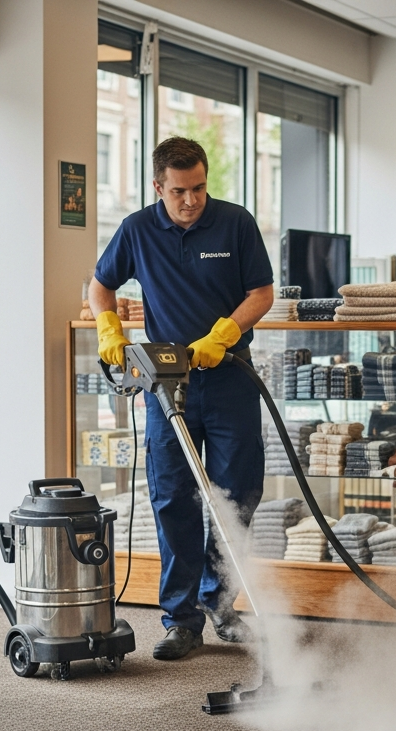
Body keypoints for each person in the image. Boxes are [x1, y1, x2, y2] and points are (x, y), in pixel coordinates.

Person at [88, 136, 273, 661]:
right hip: (169, 386)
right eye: (178, 192)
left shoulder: (235, 223)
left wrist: (222, 335)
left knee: (237, 497)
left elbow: (261, 293)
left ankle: (223, 605)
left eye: (198, 188)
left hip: (230, 378)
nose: (190, 200)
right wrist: (109, 333)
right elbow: (100, 287)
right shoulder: (138, 230)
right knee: (172, 499)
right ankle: (182, 619)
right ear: (157, 187)